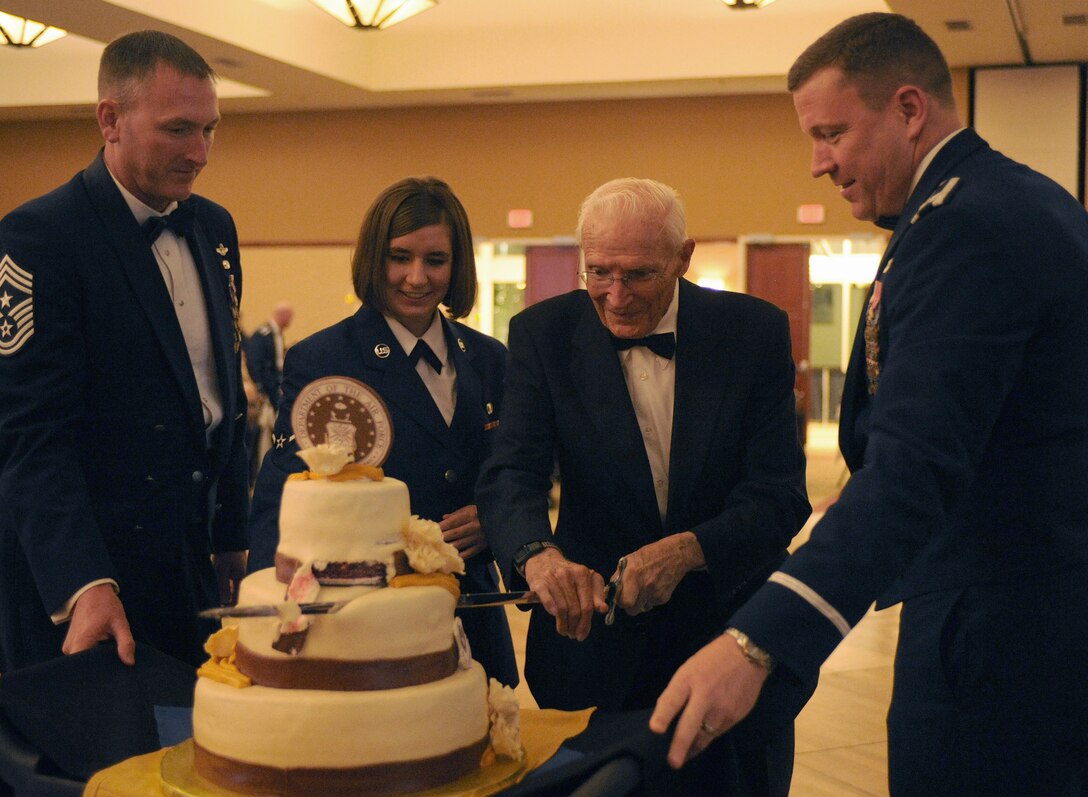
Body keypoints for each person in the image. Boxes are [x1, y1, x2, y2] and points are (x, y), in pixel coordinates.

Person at [651, 13, 1088, 797]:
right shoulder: (990, 202)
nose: (817, 163)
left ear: (909, 110)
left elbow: (917, 464)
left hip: (1003, 624)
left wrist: (757, 640)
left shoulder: (967, 227)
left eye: (831, 134)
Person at [476, 177, 814, 794]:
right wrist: (538, 557)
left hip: (728, 636)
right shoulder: (541, 335)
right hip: (595, 646)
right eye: (598, 272)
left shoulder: (753, 332)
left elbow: (780, 495)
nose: (615, 296)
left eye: (638, 275)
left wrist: (690, 549)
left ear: (684, 259)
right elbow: (511, 475)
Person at [0, 31, 249, 671]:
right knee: (97, 766)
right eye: (177, 130)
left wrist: (231, 538)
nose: (200, 153)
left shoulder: (214, 227)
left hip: (190, 564)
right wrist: (84, 583)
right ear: (110, 119)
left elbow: (222, 402)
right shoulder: (42, 236)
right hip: (93, 576)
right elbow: (31, 436)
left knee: (193, 753)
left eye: (210, 130)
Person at [246, 176, 518, 688]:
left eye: (435, 260)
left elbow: (514, 477)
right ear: (375, 259)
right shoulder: (325, 359)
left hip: (473, 613)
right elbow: (283, 497)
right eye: (400, 257)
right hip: (367, 625)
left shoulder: (489, 359)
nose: (417, 277)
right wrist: (275, 617)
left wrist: (495, 520)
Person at [244, 301, 293, 413]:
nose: (290, 321)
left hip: (276, 380)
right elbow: (253, 360)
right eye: (290, 317)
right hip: (268, 381)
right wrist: (258, 383)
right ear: (283, 315)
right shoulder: (263, 334)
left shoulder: (278, 333)